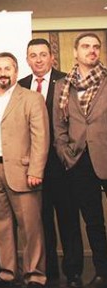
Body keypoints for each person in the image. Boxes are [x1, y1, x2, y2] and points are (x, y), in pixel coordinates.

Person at [0, 52, 49, 288]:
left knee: (30, 228)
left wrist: (36, 170)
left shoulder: (31, 98)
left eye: (7, 68)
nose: (3, 73)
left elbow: (40, 137)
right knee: (1, 226)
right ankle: (7, 273)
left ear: (16, 71)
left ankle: (35, 275)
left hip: (23, 172)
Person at [18, 38, 83, 287]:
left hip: (62, 165)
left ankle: (73, 272)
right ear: (27, 59)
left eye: (43, 54)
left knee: (68, 220)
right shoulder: (21, 85)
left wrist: (70, 155)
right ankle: (49, 270)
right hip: (33, 167)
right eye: (33, 55)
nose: (38, 59)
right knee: (41, 222)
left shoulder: (67, 81)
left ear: (52, 57)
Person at [53, 32, 107, 288]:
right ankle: (102, 272)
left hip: (105, 155)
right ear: (75, 52)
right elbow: (59, 127)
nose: (91, 50)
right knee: (94, 222)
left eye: (96, 46)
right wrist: (66, 155)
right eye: (85, 46)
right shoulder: (62, 85)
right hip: (79, 162)